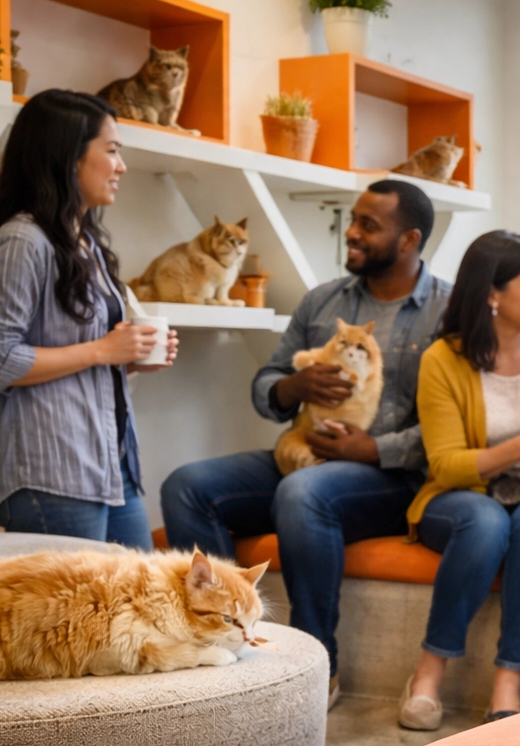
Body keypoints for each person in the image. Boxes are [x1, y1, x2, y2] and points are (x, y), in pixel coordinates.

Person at [160, 179, 447, 706]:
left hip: (393, 476)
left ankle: (318, 670)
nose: (353, 233)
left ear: (408, 240)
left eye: (368, 225)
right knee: (188, 486)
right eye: (353, 219)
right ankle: (225, 650)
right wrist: (294, 386)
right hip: (304, 451)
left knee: (304, 494)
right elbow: (266, 385)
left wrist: (376, 449)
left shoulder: (447, 311)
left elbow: (456, 424)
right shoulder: (323, 301)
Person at [0, 90, 177, 549]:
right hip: (51, 471)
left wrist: (129, 359)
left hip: (108, 464)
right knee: (77, 621)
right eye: (113, 150)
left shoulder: (86, 243)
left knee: (140, 610)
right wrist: (103, 350)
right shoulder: (23, 242)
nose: (121, 166)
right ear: (69, 157)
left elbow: (80, 360)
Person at [398, 231, 520, 730]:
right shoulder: (442, 359)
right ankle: (428, 675)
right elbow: (445, 464)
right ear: (491, 294)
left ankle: (509, 678)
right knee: (485, 522)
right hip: (463, 498)